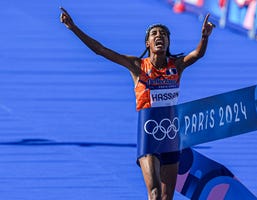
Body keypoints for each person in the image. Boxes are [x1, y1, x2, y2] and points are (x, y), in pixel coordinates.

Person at [60, 7, 214, 200]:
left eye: (164, 34)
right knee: (155, 193)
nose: (160, 36)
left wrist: (205, 37)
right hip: (149, 134)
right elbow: (101, 50)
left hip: (171, 134)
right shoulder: (137, 66)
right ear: (148, 43)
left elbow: (198, 54)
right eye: (154, 34)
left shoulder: (177, 65)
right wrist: (73, 27)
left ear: (168, 42)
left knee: (167, 197)